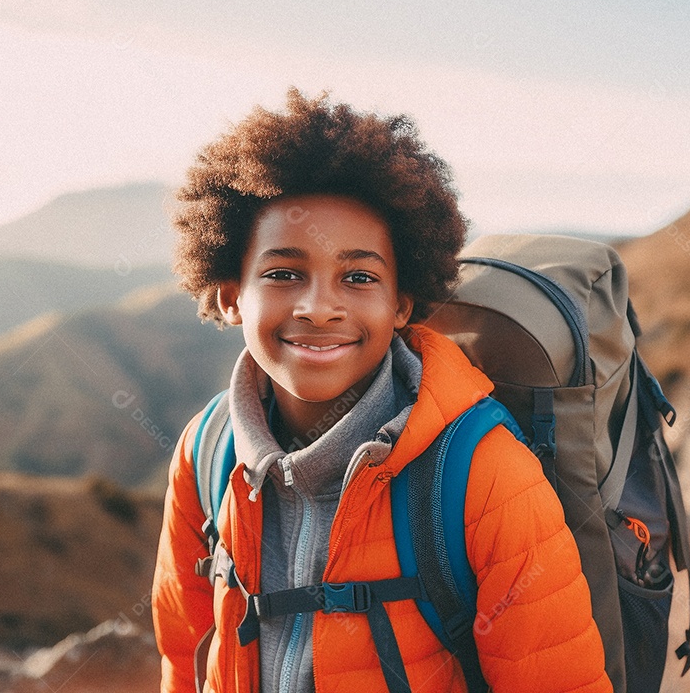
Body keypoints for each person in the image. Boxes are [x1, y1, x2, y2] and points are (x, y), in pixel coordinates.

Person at [151, 89, 612, 693]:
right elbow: (183, 649)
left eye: (359, 277)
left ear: (402, 303)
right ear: (230, 293)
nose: (319, 307)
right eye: (284, 273)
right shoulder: (207, 450)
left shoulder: (485, 474)